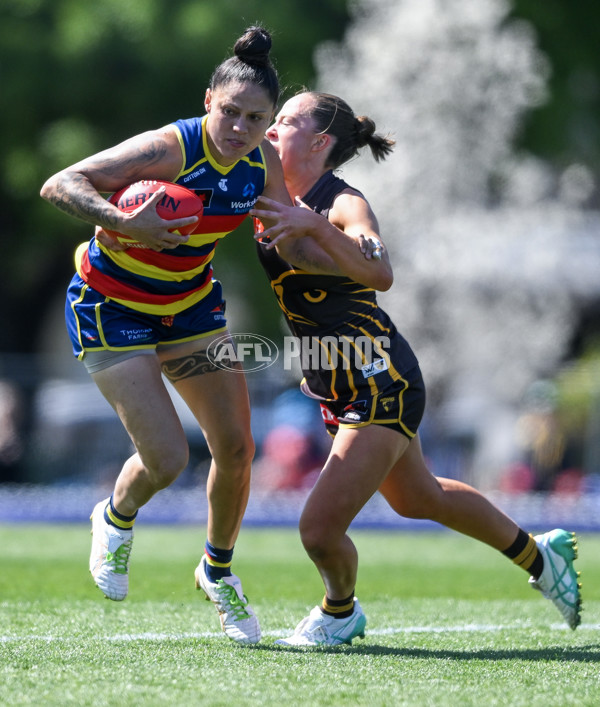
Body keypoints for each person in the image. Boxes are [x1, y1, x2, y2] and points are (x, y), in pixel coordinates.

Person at [250, 91, 582, 647]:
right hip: (340, 379)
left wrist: (316, 228)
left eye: (283, 120)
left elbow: (380, 272)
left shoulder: (342, 202)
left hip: (380, 379)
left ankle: (339, 612)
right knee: (418, 498)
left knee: (318, 530)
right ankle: (540, 555)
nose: (269, 128)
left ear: (320, 142)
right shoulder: (267, 187)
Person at [40, 26, 291, 645]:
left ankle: (217, 569)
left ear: (270, 122)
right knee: (169, 459)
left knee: (236, 448)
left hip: (188, 307)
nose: (238, 127)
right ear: (209, 100)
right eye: (229, 111)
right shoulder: (167, 149)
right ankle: (116, 517)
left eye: (254, 118)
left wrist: (332, 237)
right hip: (112, 306)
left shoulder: (264, 162)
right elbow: (61, 183)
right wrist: (123, 218)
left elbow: (283, 227)